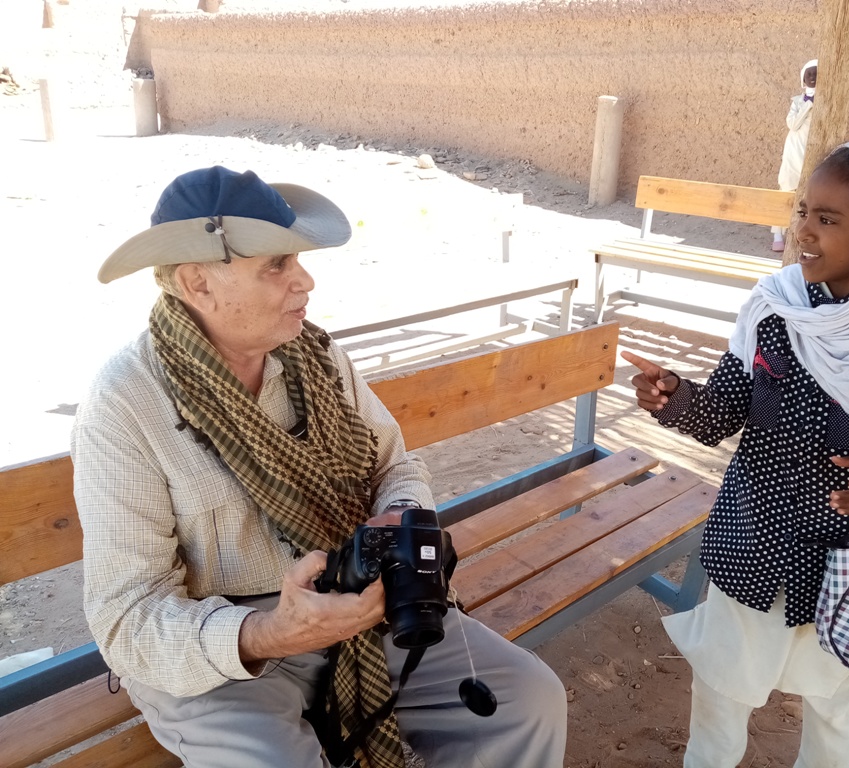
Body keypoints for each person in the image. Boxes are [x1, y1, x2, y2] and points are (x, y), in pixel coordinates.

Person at [71, 166, 567, 768]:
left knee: (528, 700)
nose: (305, 281)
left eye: (297, 261)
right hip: (221, 647)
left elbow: (395, 466)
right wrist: (272, 633)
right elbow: (127, 614)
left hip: (357, 601)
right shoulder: (126, 403)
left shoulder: (317, 358)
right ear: (197, 281)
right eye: (275, 265)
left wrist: (401, 517)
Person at [623, 139, 849, 768]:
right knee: (719, 699)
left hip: (847, 570)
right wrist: (675, 397)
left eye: (828, 219)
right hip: (752, 543)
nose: (803, 232)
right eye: (802, 213)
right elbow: (723, 415)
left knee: (835, 710)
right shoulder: (776, 309)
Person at [771, 59, 818, 252]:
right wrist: (808, 106)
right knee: (786, 189)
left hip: (811, 149)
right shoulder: (798, 102)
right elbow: (793, 124)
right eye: (809, 74)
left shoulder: (826, 101)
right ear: (803, 79)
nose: (813, 77)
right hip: (794, 149)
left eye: (817, 74)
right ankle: (777, 234)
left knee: (810, 193)